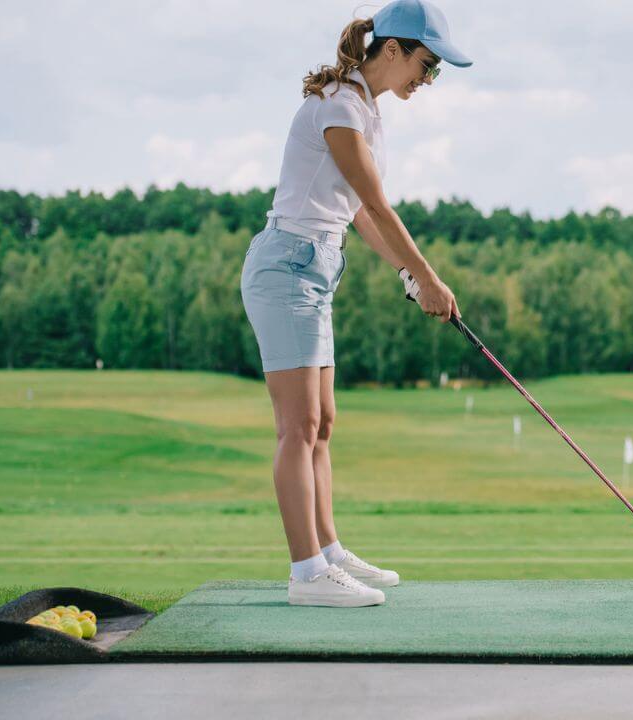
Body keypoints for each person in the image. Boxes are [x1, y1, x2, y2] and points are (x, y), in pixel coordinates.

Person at [239, 0, 470, 607]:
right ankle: (306, 574)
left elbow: (360, 214)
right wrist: (430, 276)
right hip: (288, 266)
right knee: (299, 427)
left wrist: (408, 276)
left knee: (324, 423)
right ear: (392, 49)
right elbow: (378, 201)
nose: (429, 78)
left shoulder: (364, 108)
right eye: (428, 64)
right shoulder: (339, 106)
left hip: (315, 268)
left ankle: (330, 552)